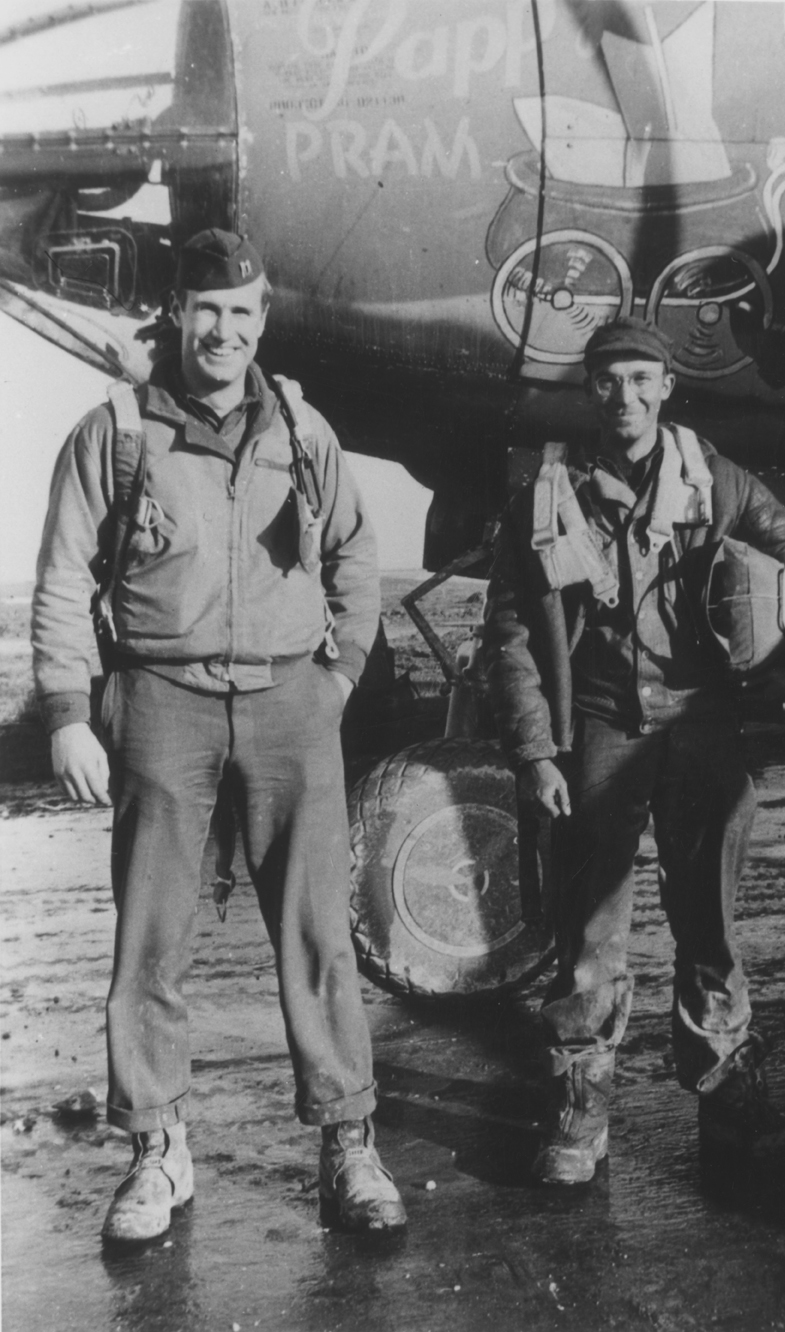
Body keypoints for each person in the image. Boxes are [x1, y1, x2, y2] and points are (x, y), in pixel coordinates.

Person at [32, 228, 406, 1240]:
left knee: (319, 934)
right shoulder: (113, 432)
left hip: (290, 703)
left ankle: (348, 1143)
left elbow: (353, 556)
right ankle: (157, 1150)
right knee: (151, 942)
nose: (225, 331)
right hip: (162, 704)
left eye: (243, 313)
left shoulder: (298, 425)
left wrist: (338, 678)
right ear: (176, 313)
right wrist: (70, 713)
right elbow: (66, 577)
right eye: (208, 311)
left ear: (261, 319)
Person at [481, 317, 785, 1185]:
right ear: (590, 391)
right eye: (609, 380)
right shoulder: (547, 491)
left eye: (642, 379)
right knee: (589, 933)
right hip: (598, 725)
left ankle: (730, 1103)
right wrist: (536, 751)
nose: (625, 397)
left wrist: (781, 663)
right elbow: (512, 627)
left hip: (701, 723)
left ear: (666, 387)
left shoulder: (712, 480)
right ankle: (581, 1110)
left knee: (708, 926)